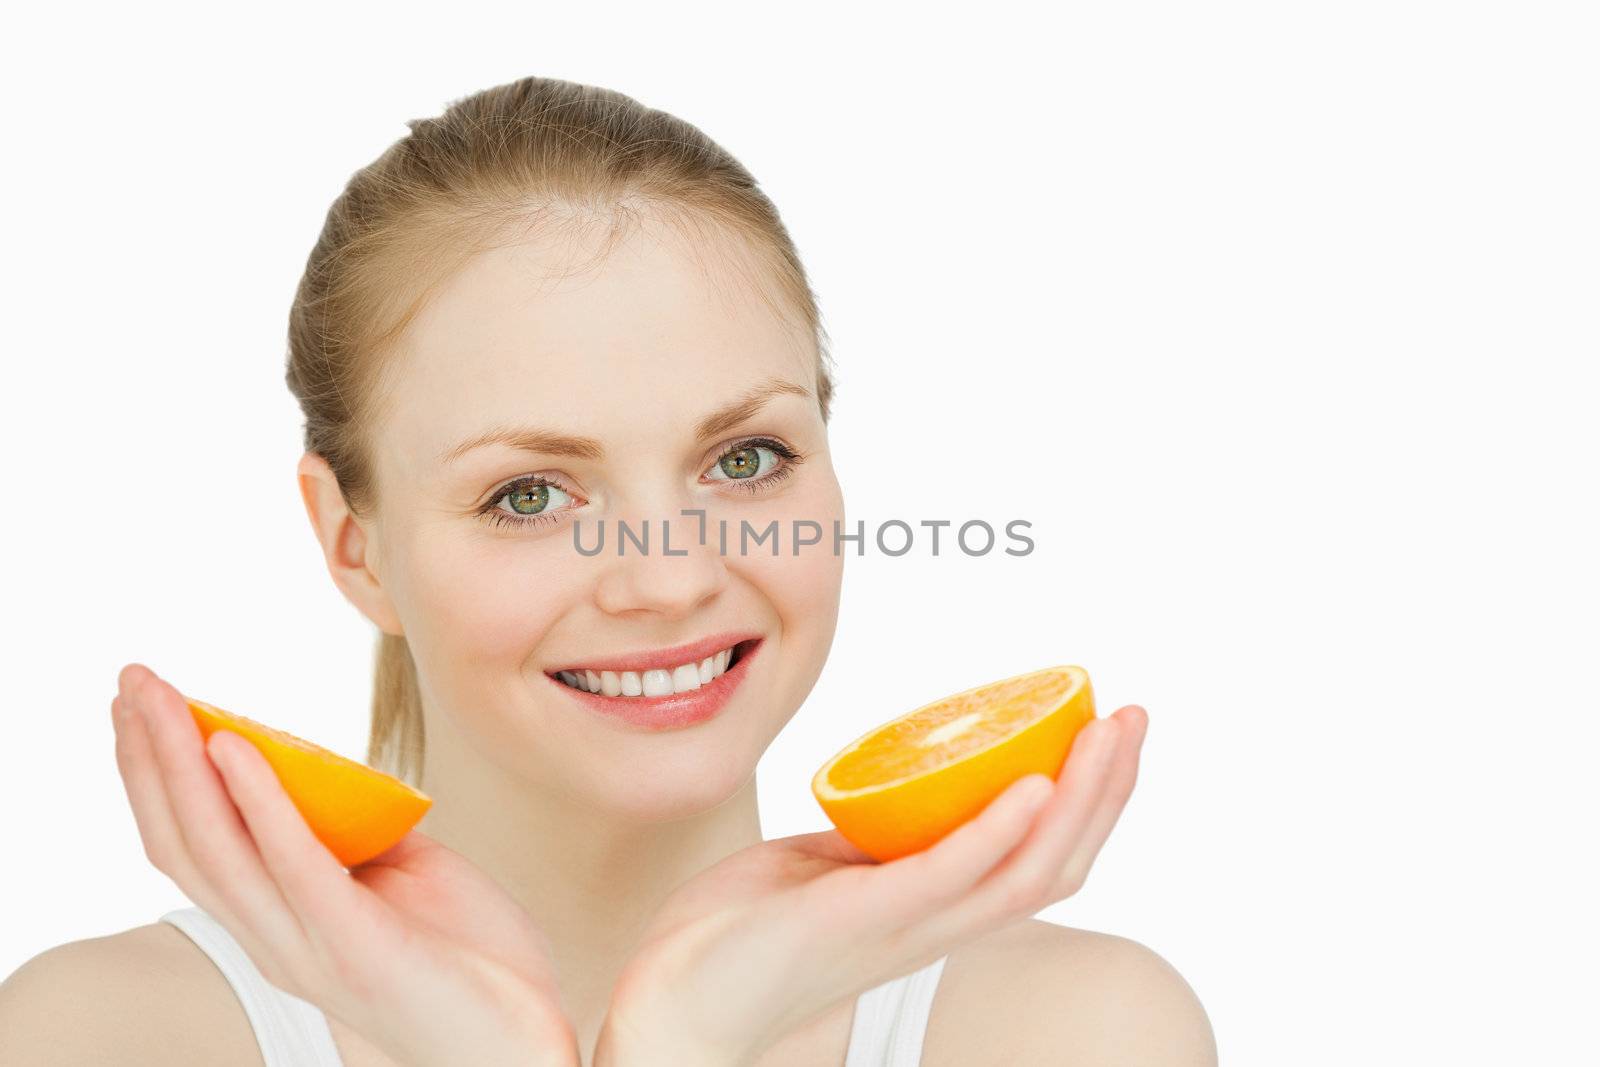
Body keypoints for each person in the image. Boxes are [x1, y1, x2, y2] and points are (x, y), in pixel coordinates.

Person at [0, 76, 1216, 1066]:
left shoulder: (1076, 1032)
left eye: (747, 457)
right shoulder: (107, 1034)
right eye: (528, 493)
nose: (670, 577)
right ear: (350, 542)